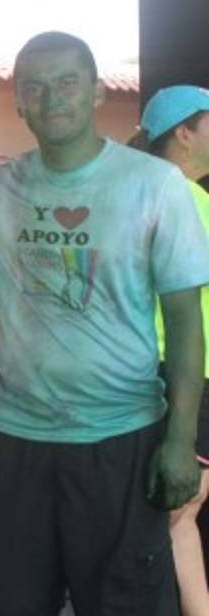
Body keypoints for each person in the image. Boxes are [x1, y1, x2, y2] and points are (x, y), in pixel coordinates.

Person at [0, 34, 209, 616]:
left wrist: (182, 439)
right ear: (18, 102)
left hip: (123, 438)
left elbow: (187, 324)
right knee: (10, 603)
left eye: (67, 82)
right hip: (19, 442)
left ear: (96, 92)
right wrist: (9, 296)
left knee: (123, 606)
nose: (51, 98)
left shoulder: (154, 185)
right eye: (34, 87)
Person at [139, 85, 209, 615]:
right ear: (184, 132)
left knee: (181, 511)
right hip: (186, 376)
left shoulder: (148, 193)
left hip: (174, 372)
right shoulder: (185, 200)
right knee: (180, 511)